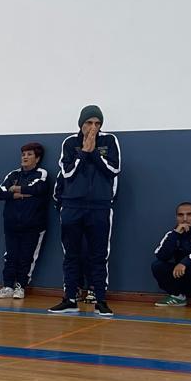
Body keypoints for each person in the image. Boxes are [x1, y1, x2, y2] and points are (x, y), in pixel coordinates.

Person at [49, 105, 122, 317]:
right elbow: (67, 172)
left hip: (100, 207)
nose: (93, 127)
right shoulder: (70, 143)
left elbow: (114, 169)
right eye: (89, 123)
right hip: (72, 206)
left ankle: (100, 300)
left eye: (97, 123)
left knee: (99, 255)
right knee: (71, 254)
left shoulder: (110, 141)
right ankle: (70, 299)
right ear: (81, 123)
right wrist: (83, 153)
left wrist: (94, 153)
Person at [0, 141, 51, 298]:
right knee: (10, 256)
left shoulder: (42, 174)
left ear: (37, 158)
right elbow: (0, 192)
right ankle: (7, 286)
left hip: (33, 225)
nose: (25, 157)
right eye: (23, 154)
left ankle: (20, 286)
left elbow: (38, 189)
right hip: (12, 224)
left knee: (27, 257)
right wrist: (17, 195)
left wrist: (17, 189)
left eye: (29, 154)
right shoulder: (13, 175)